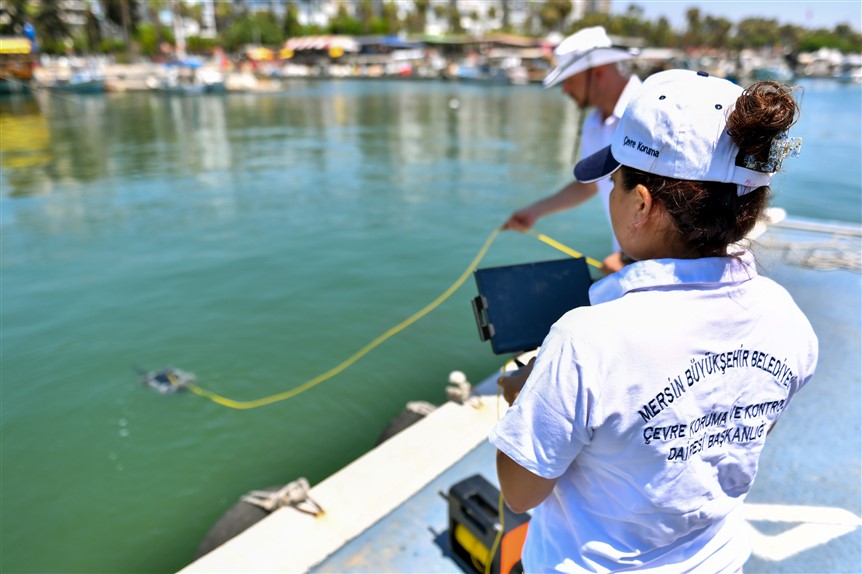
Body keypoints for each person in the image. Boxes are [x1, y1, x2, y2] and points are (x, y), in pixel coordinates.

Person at [490, 69, 818, 573]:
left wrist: (529, 396)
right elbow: (736, 427)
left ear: (641, 204)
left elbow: (521, 493)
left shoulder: (586, 340)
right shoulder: (787, 317)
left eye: (614, 183)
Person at [503, 26, 642, 274]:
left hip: (655, 268)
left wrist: (627, 259)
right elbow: (590, 184)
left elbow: (673, 199)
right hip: (628, 265)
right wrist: (535, 211)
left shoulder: (648, 113)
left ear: (597, 73)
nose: (565, 90)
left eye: (569, 80)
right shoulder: (593, 123)